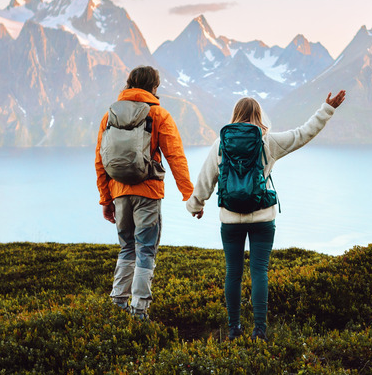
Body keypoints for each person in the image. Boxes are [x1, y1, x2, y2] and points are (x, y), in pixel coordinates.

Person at [186, 90, 346, 340]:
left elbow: (206, 179)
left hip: (230, 219)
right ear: (259, 115)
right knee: (259, 271)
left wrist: (196, 205)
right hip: (263, 217)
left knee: (233, 273)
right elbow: (303, 134)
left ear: (235, 115)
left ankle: (233, 329)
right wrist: (327, 108)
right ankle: (259, 329)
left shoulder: (221, 143)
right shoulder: (267, 141)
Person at [95, 66, 194, 319]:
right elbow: (175, 157)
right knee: (146, 249)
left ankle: (118, 302)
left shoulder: (110, 115)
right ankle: (139, 310)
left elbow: (100, 159)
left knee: (127, 247)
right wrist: (189, 195)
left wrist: (106, 199)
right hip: (148, 192)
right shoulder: (159, 114)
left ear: (129, 84)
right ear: (154, 87)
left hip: (119, 192)